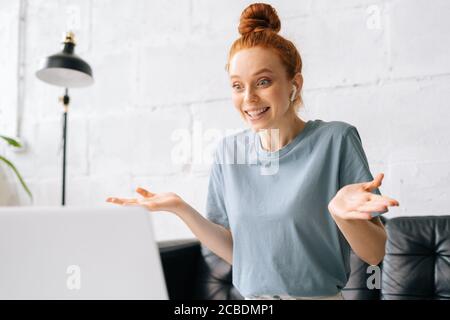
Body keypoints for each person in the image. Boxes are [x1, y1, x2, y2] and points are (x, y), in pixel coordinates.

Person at [106, 3, 399, 300]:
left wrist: (342, 215)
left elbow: (376, 254)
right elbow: (239, 252)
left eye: (263, 82)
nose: (249, 99)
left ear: (294, 84)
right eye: (237, 86)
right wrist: (180, 208)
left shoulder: (336, 140)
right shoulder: (228, 152)